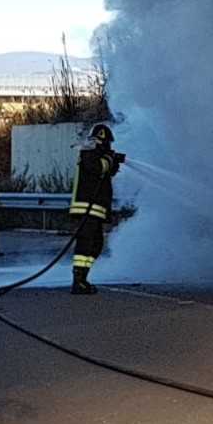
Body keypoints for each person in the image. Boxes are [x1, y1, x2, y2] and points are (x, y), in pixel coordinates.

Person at [67, 123, 122, 295]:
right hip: (86, 207)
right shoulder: (88, 152)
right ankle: (78, 282)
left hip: (95, 208)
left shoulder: (98, 154)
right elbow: (98, 168)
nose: (109, 147)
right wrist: (110, 158)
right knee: (86, 243)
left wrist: (114, 161)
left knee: (96, 244)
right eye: (108, 144)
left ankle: (83, 278)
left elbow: (107, 171)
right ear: (101, 140)